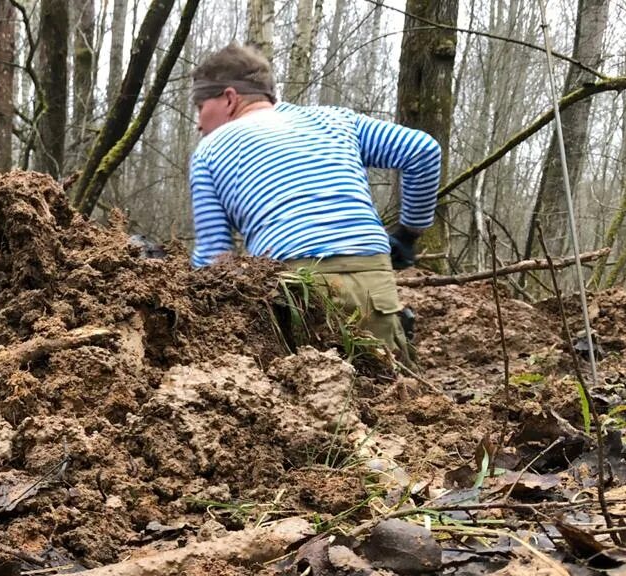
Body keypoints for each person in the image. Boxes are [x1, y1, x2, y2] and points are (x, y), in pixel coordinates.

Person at [188, 42, 441, 363]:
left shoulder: (210, 152)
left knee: (303, 395)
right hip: (371, 276)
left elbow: (214, 261)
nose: (198, 123)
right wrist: (409, 233)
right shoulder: (334, 119)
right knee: (388, 392)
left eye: (200, 108)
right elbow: (423, 150)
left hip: (295, 289)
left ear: (228, 98)